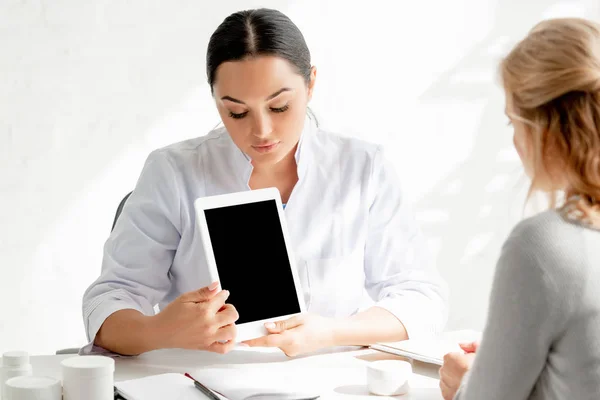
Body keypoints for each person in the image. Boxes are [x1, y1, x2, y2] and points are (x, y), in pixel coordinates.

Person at [82, 8, 448, 357]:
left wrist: (331, 332)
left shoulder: (362, 169)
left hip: (328, 377)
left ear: (311, 84)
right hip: (203, 381)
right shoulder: (174, 171)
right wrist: (159, 331)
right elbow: (109, 302)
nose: (261, 131)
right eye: (236, 112)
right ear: (215, 100)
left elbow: (421, 299)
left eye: (279, 107)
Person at [439, 17, 600, 400]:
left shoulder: (545, 245)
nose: (513, 140)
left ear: (542, 127)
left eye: (513, 121)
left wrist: (463, 383)